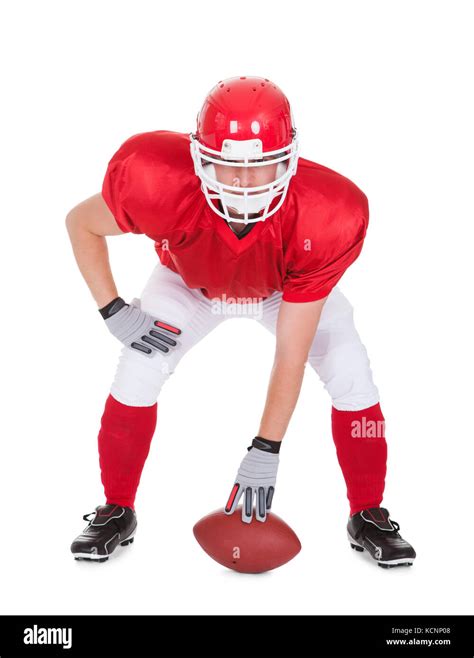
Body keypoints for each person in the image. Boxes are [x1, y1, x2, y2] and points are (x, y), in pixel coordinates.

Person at [66, 75, 415, 568]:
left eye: (261, 165)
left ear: (290, 158)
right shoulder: (154, 178)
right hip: (188, 283)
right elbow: (79, 223)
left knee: (350, 369)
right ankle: (115, 508)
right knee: (137, 368)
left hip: (282, 289)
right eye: (230, 167)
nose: (245, 182)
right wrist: (113, 311)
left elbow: (290, 354)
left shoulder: (326, 213)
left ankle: (369, 512)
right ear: (200, 158)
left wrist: (266, 447)